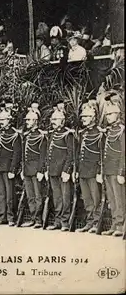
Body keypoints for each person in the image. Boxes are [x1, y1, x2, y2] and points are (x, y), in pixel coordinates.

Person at [45, 103, 74, 231]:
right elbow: (48, 153)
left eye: (56, 119)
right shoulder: (52, 134)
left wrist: (67, 170)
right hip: (53, 171)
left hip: (62, 171)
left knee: (65, 196)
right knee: (57, 197)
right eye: (52, 119)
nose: (53, 122)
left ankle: (65, 222)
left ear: (62, 121)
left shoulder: (68, 134)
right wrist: (47, 169)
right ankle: (57, 221)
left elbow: (71, 154)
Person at [75, 100, 102, 233]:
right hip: (83, 171)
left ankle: (97, 223)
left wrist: (99, 171)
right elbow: (78, 152)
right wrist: (76, 170)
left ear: (93, 117)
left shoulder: (99, 133)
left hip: (93, 171)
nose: (83, 119)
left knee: (96, 198)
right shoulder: (82, 133)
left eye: (86, 117)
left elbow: (102, 154)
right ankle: (90, 222)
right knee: (87, 199)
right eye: (83, 117)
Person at [0, 108, 21, 226]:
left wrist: (13, 169)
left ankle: (10, 217)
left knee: (10, 194)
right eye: (0, 119)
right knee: (0, 194)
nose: (1, 121)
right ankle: (2, 216)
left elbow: (16, 153)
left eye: (3, 119)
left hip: (8, 169)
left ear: (9, 120)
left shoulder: (15, 134)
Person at [101, 96, 125, 237]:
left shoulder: (121, 130)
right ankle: (115, 224)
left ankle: (121, 226)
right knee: (112, 198)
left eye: (111, 114)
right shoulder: (110, 131)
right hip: (109, 169)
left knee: (119, 198)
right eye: (107, 114)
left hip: (117, 170)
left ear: (118, 114)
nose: (108, 116)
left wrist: (121, 172)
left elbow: (123, 153)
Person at [21, 103, 47, 228]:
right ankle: (33, 217)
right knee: (30, 196)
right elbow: (23, 155)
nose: (26, 122)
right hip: (27, 170)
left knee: (38, 196)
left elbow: (42, 155)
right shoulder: (27, 135)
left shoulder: (41, 136)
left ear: (35, 121)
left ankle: (38, 220)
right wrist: (22, 170)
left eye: (29, 120)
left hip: (36, 169)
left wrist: (41, 170)